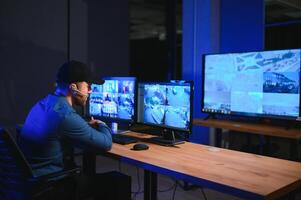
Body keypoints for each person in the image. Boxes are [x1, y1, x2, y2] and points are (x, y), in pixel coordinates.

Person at [19, 60, 113, 199]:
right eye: (88, 86)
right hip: (50, 187)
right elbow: (106, 144)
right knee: (114, 181)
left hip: (30, 182)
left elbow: (61, 128)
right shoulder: (65, 115)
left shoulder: (44, 103)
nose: (90, 90)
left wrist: (82, 126)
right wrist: (102, 124)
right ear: (74, 87)